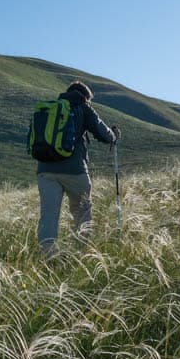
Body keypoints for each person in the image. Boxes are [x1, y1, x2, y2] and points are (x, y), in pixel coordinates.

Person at [35, 80, 117, 257]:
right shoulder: (83, 107)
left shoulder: (50, 108)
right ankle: (81, 254)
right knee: (82, 213)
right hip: (75, 171)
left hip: (45, 170)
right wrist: (114, 135)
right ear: (86, 97)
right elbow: (104, 133)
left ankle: (48, 256)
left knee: (48, 216)